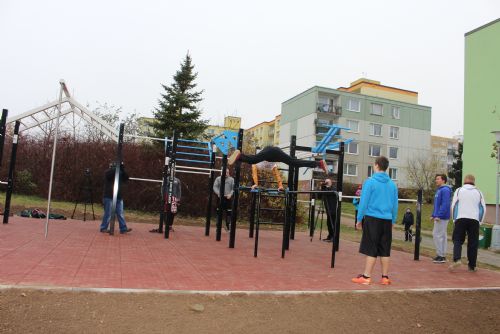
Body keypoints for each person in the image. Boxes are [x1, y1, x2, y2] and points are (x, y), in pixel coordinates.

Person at [352, 156, 398, 285]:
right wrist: (393, 220)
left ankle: (366, 277)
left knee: (371, 248)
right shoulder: (392, 184)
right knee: (385, 249)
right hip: (387, 220)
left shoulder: (370, 182)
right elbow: (395, 205)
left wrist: (359, 218)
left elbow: (364, 202)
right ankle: (385, 277)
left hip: (372, 219)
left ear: (377, 165)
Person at [449, 174, 486, 272]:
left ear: (464, 181)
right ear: (474, 182)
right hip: (474, 220)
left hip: (461, 218)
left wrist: (454, 219)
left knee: (457, 240)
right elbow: (483, 208)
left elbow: (453, 205)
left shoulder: (459, 190)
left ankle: (457, 259)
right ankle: (472, 266)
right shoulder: (479, 192)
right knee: (473, 243)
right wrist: (480, 221)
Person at [228, 146, 328, 173]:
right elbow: (253, 159)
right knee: (294, 162)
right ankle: (240, 157)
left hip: (272, 152)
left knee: (294, 162)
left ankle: (318, 163)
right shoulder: (263, 166)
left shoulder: (260, 166)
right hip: (271, 153)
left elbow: (253, 159)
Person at [99, 162, 132, 234]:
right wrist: (116, 168)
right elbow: (108, 175)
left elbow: (126, 177)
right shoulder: (108, 172)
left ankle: (123, 228)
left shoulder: (120, 173)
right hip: (109, 196)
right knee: (108, 213)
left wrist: (122, 169)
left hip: (119, 196)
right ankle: (103, 228)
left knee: (120, 213)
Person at [431, 174, 452, 263]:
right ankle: (441, 255)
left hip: (442, 217)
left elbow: (445, 204)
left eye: (438, 179)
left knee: (437, 235)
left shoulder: (445, 190)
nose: (436, 180)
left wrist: (439, 215)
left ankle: (441, 255)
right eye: (436, 179)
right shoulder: (439, 190)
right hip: (439, 216)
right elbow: (437, 204)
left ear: (443, 180)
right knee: (441, 236)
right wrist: (433, 214)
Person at [321, 178, 337, 242]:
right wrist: (322, 186)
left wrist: (327, 187)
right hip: (328, 209)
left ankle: (333, 237)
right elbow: (320, 194)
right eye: (326, 182)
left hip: (333, 209)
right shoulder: (325, 189)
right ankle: (329, 236)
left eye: (328, 182)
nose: (327, 183)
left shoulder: (334, 189)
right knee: (328, 223)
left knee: (333, 223)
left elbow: (329, 193)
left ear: (331, 183)